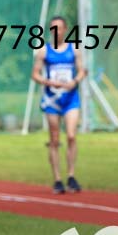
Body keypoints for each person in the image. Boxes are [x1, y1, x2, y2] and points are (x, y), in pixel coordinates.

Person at [31, 16, 86, 194]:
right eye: (52, 28)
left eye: (59, 28)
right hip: (52, 100)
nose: (56, 32)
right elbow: (35, 74)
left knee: (71, 136)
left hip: (70, 98)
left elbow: (82, 70)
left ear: (65, 29)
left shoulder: (74, 49)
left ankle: (71, 175)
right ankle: (57, 178)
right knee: (54, 139)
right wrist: (48, 82)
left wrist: (75, 81)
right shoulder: (44, 51)